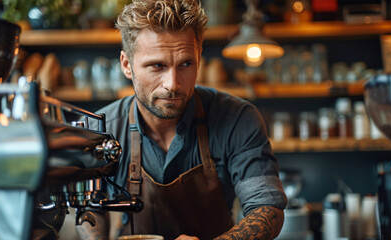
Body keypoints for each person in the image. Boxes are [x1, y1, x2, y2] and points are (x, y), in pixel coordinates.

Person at [88, 0, 287, 239]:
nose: (173, 84)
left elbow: (267, 209)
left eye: (185, 64)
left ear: (199, 58)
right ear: (127, 65)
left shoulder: (237, 119)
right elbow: (90, 210)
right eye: (157, 66)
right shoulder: (100, 130)